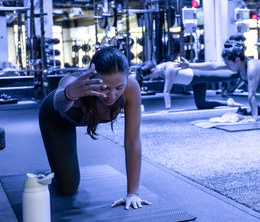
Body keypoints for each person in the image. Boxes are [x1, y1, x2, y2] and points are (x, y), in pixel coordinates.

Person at [38, 47, 150, 209]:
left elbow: (132, 142)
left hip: (75, 116)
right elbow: (58, 104)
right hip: (55, 118)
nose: (112, 96)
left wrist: (133, 193)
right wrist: (70, 93)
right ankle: (52, 172)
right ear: (92, 76)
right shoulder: (76, 83)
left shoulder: (131, 88)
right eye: (103, 88)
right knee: (67, 187)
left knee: (68, 184)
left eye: (119, 88)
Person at [138, 60, 240, 110]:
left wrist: (167, 109)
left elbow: (166, 91)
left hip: (197, 75)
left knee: (224, 76)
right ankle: (229, 103)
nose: (151, 79)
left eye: (150, 77)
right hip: (194, 82)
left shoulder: (168, 69)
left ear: (153, 70)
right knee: (201, 105)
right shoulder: (159, 70)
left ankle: (242, 72)